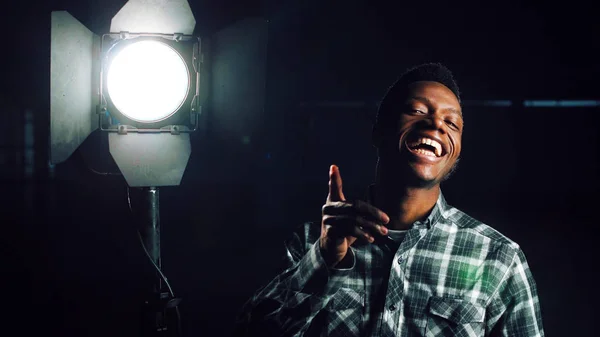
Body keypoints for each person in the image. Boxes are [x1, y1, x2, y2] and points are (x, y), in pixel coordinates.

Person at [232, 63, 544, 336]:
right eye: (417, 111)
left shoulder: (499, 259)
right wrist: (323, 261)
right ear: (379, 131)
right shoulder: (308, 243)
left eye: (451, 123)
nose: (435, 124)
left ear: (457, 151)